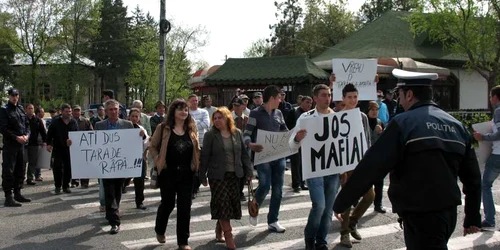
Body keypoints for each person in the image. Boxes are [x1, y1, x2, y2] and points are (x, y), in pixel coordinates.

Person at [333, 69, 482, 250]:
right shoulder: (456, 125)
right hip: (449, 213)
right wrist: (472, 217)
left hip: (420, 214)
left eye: (400, 95)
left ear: (409, 94)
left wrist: (342, 202)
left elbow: (372, 166)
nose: (399, 100)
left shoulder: (402, 123)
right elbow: (473, 178)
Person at [289, 84, 341, 250]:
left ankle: (321, 241)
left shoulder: (338, 118)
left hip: (333, 170)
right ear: (316, 98)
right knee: (319, 205)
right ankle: (310, 237)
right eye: (324, 95)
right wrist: (297, 138)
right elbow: (292, 145)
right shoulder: (305, 118)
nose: (328, 98)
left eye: (329, 95)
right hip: (315, 169)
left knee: (328, 210)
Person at [149, 99, 200, 250]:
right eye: (180, 109)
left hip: (187, 173)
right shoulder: (163, 127)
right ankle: (160, 229)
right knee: (168, 203)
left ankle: (183, 242)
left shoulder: (192, 127)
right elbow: (152, 146)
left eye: (186, 110)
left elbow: (196, 149)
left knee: (185, 207)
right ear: (173, 112)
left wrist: (196, 165)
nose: (184, 112)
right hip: (168, 172)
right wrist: (159, 160)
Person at [200, 107, 253, 250]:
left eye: (220, 118)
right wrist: (201, 175)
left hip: (235, 174)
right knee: (222, 203)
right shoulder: (210, 135)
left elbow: (244, 154)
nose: (217, 121)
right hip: (217, 176)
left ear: (227, 118)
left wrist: (249, 171)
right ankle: (229, 237)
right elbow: (205, 156)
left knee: (228, 204)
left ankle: (219, 228)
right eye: (215, 118)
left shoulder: (237, 133)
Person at [243, 85, 288, 232]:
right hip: (263, 156)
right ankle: (255, 207)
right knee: (264, 185)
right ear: (272, 98)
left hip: (279, 156)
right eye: (279, 98)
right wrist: (251, 144)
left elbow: (284, 131)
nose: (281, 100)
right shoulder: (256, 113)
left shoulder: (279, 114)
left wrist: (294, 137)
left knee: (278, 190)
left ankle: (273, 221)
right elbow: (246, 134)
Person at [94, 99, 140, 234]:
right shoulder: (99, 125)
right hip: (106, 165)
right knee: (109, 191)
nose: (113, 112)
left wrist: (140, 136)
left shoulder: (127, 124)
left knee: (118, 191)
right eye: (111, 110)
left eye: (116, 109)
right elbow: (92, 143)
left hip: (121, 165)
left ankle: (112, 212)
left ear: (119, 111)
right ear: (106, 112)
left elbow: (133, 142)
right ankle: (114, 221)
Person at [337, 83, 373, 248]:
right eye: (349, 97)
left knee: (370, 196)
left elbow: (366, 140)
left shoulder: (363, 117)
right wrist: (341, 169)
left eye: (355, 97)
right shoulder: (337, 117)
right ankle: (344, 234)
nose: (353, 100)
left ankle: (353, 222)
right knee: (347, 199)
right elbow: (336, 145)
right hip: (346, 164)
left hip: (362, 163)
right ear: (343, 98)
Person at [473, 85, 500, 230]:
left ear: (495, 97)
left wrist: (482, 136)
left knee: (486, 184)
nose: (490, 99)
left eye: (490, 96)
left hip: (498, 155)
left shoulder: (499, 111)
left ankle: (489, 220)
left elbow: (499, 134)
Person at [0, 88, 32, 207]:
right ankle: (9, 197)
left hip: (21, 145)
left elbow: (27, 125)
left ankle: (18, 193)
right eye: (12, 95)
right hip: (10, 145)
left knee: (21, 169)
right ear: (9, 96)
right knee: (9, 171)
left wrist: (27, 135)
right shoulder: (4, 110)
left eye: (16, 95)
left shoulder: (20, 109)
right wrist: (16, 137)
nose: (15, 97)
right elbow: (3, 128)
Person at [46, 103, 78, 195]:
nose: (69, 113)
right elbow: (50, 134)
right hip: (58, 148)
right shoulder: (56, 122)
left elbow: (77, 135)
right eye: (66, 111)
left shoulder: (73, 122)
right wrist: (48, 144)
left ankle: (66, 186)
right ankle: (57, 186)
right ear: (61, 112)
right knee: (57, 168)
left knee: (68, 168)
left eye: (70, 111)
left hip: (69, 149)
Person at [365, 101, 387, 213]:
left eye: (376, 109)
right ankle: (355, 201)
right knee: (363, 182)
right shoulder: (363, 122)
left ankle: (378, 204)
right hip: (364, 157)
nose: (374, 112)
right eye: (372, 109)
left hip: (377, 157)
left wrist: (381, 132)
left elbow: (386, 141)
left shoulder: (380, 122)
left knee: (379, 182)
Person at [288, 96, 313, 192]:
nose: (309, 105)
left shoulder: (310, 114)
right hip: (294, 141)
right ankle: (296, 184)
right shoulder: (293, 112)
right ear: (301, 102)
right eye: (307, 102)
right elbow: (288, 126)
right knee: (295, 163)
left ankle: (302, 182)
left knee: (303, 163)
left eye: (310, 103)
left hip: (306, 142)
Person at [188, 94, 210, 199]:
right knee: (193, 167)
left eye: (196, 100)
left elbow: (206, 124)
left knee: (202, 167)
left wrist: (193, 124)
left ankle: (196, 186)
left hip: (202, 142)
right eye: (192, 100)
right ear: (188, 102)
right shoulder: (186, 113)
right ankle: (193, 189)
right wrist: (197, 124)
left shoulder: (204, 112)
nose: (195, 102)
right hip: (190, 143)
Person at [127, 108, 148, 210]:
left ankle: (139, 202)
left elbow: (146, 144)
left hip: (139, 157)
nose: (134, 118)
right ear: (129, 117)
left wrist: (143, 136)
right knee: (122, 180)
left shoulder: (141, 129)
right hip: (125, 158)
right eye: (132, 116)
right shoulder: (124, 127)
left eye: (136, 116)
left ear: (139, 118)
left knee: (140, 180)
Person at [71, 105, 93, 188]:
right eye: (75, 110)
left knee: (85, 165)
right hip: (73, 147)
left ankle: (85, 182)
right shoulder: (69, 121)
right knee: (74, 164)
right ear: (72, 112)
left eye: (78, 110)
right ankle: (74, 181)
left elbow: (91, 132)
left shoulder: (85, 121)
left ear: (80, 112)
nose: (77, 112)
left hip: (84, 147)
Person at [25, 104, 47, 186]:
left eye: (32, 108)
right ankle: (20, 180)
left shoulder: (38, 120)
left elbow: (43, 132)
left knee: (33, 162)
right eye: (29, 108)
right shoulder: (22, 119)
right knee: (23, 162)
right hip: (24, 144)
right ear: (26, 109)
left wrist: (45, 141)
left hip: (34, 144)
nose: (30, 110)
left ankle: (30, 178)